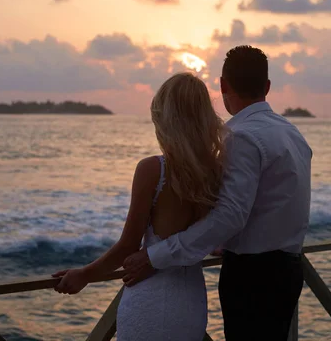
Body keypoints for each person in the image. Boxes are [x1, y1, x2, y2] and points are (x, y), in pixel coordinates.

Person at [123, 45, 313, 340]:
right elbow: (273, 205)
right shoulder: (292, 133)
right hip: (289, 270)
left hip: (253, 277)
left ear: (223, 85)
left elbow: (231, 215)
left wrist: (155, 256)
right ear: (267, 87)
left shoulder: (241, 136)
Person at [52, 73, 228, 340]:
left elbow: (128, 246)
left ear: (165, 120)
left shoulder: (153, 170)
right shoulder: (216, 172)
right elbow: (212, 234)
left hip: (150, 302)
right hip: (190, 304)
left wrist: (84, 274)